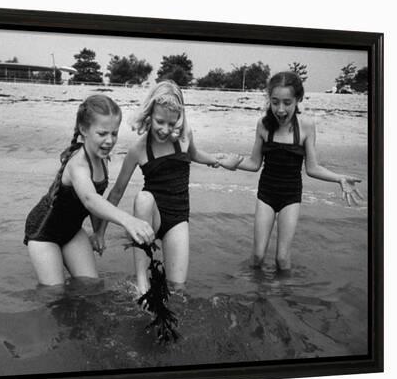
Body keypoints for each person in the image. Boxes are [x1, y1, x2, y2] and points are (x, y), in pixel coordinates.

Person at [96, 80, 242, 294]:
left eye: (171, 124)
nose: (165, 129)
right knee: (143, 198)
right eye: (159, 121)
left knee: (177, 288)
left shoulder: (184, 136)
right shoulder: (138, 149)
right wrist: (100, 232)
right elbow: (117, 192)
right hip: (150, 217)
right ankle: (142, 284)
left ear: (179, 119)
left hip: (177, 219)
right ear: (150, 113)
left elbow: (195, 155)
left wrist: (220, 161)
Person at [235, 71, 363, 273]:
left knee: (282, 260)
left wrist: (339, 178)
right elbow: (253, 163)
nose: (280, 109)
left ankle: (283, 299)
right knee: (258, 257)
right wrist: (229, 162)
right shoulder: (263, 125)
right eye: (275, 102)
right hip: (266, 195)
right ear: (269, 100)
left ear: (298, 100)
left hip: (290, 197)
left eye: (287, 102)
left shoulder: (306, 126)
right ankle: (257, 297)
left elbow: (312, 168)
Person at [24, 95, 155, 286]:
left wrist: (98, 232)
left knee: (92, 287)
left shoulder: (102, 158)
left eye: (114, 133)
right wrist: (129, 221)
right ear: (84, 130)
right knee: (55, 293)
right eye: (102, 134)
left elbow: (97, 203)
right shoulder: (78, 165)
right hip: (44, 233)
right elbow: (90, 199)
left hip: (72, 231)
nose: (110, 140)